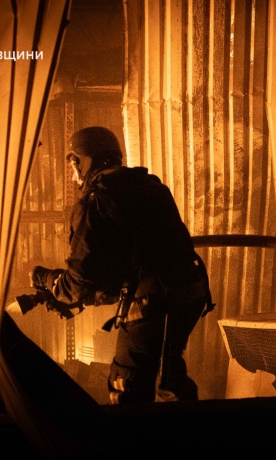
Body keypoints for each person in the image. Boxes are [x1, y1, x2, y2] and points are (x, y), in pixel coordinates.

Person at [29, 126, 214, 404]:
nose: (72, 174)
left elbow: (80, 282)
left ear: (81, 161)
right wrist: (87, 298)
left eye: (72, 164)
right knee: (168, 376)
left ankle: (131, 431)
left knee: (126, 383)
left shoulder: (96, 200)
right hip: (189, 295)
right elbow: (128, 264)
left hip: (156, 301)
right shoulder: (151, 186)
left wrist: (47, 279)